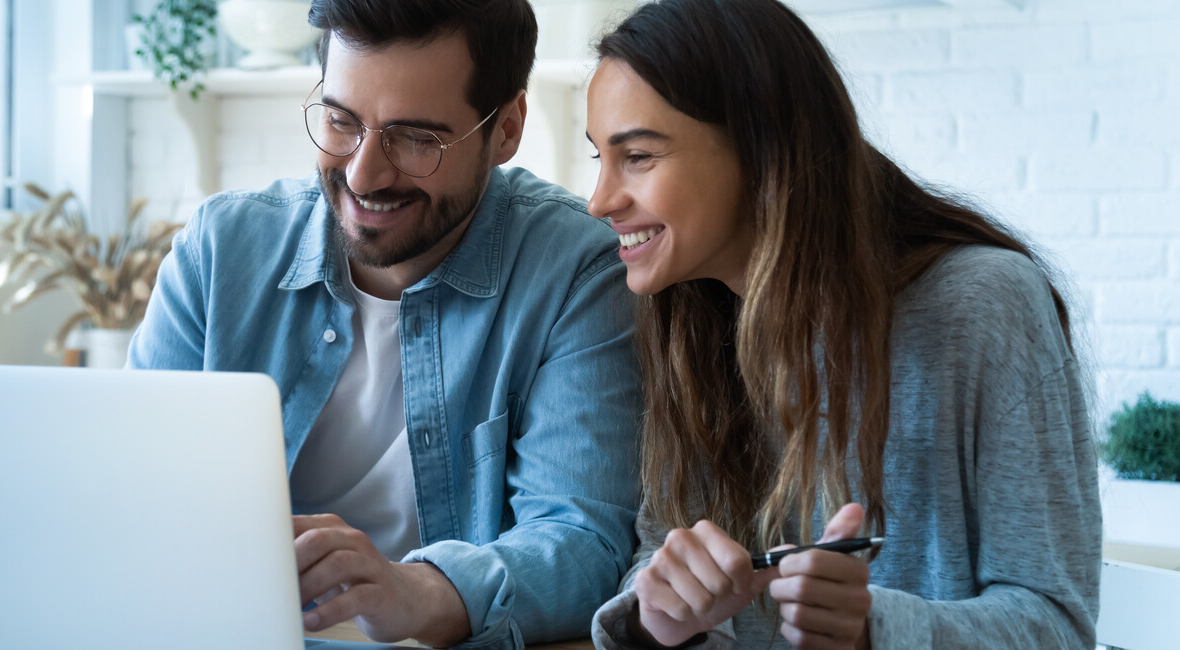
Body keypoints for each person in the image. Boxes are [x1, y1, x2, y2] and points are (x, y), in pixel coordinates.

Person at [582, 0, 1101, 648]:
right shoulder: (685, 320)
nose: (599, 199)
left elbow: (1057, 625)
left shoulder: (985, 306)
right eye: (599, 156)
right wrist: (659, 621)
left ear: (761, 149)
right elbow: (663, 558)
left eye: (637, 156)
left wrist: (872, 631)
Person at [128, 0, 643, 647]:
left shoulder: (575, 270)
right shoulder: (219, 249)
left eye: (416, 138)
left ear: (506, 127)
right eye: (341, 122)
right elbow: (130, 496)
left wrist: (416, 590)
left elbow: (583, 541)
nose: (363, 173)